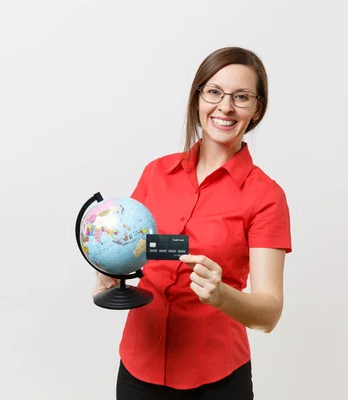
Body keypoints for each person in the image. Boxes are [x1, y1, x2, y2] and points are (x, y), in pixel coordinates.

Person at [94, 46, 292, 400]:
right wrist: (110, 272)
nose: (225, 107)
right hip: (139, 371)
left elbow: (269, 313)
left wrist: (221, 295)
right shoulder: (156, 173)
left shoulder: (266, 197)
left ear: (257, 108)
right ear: (198, 97)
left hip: (217, 380)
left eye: (241, 97)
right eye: (214, 92)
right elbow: (131, 249)